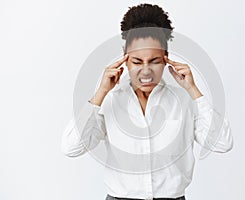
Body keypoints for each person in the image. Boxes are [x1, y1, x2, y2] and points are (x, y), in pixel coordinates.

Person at [61, 3, 233, 200]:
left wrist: (194, 91)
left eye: (154, 61)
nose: (145, 71)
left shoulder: (184, 100)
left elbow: (222, 144)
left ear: (166, 59)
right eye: (136, 62)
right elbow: (71, 147)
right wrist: (100, 93)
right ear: (124, 59)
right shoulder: (110, 100)